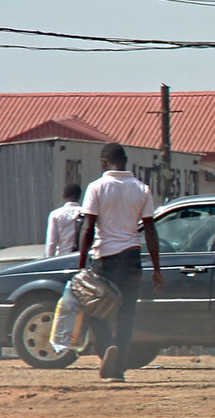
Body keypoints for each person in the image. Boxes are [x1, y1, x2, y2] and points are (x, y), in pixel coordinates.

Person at [78, 143, 164, 381]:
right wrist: (156, 269)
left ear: (104, 161)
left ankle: (107, 348)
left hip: (105, 259)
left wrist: (81, 264)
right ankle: (119, 370)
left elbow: (87, 227)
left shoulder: (96, 187)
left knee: (96, 311)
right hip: (132, 258)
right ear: (125, 161)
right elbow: (150, 230)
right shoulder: (142, 189)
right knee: (127, 314)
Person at [43, 183, 83, 258]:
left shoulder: (55, 214)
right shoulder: (86, 213)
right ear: (79, 196)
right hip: (82, 258)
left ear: (64, 196)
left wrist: (49, 259)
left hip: (62, 258)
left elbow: (52, 242)